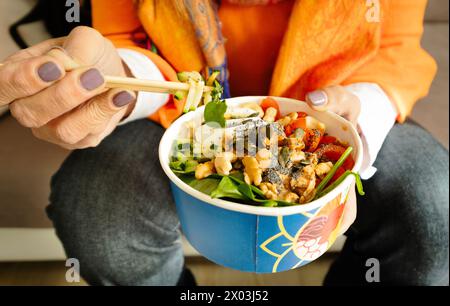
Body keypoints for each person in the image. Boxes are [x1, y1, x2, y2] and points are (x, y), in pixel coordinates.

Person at [0, 0, 448, 285]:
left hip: (330, 111)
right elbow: (124, 43)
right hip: (180, 115)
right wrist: (119, 82)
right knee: (95, 208)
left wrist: (355, 129)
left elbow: (395, 47)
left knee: (436, 209)